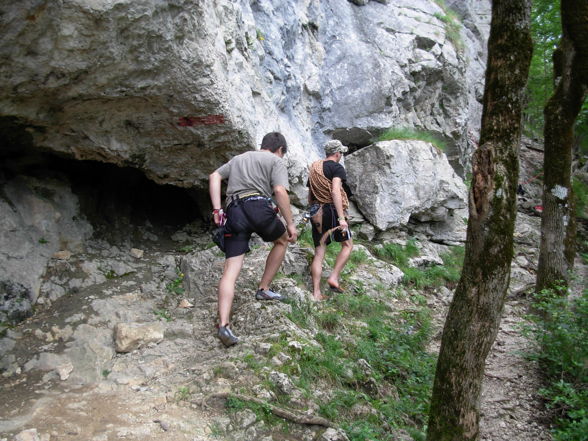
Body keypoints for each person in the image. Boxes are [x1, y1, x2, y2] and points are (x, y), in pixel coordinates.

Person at [209, 132, 298, 347]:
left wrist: (217, 209)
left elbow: (214, 176)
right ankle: (264, 289)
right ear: (280, 150)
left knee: (231, 270)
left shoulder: (238, 159)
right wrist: (290, 223)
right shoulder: (275, 161)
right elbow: (279, 190)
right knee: (282, 240)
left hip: (234, 211)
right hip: (258, 206)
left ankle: (223, 325)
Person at [307, 139, 353, 301]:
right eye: (341, 153)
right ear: (337, 153)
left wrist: (312, 211)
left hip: (316, 211)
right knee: (347, 245)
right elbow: (335, 191)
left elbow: (311, 193)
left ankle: (316, 293)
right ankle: (333, 277)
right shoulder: (337, 168)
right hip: (331, 210)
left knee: (319, 252)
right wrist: (341, 218)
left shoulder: (314, 168)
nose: (341, 155)